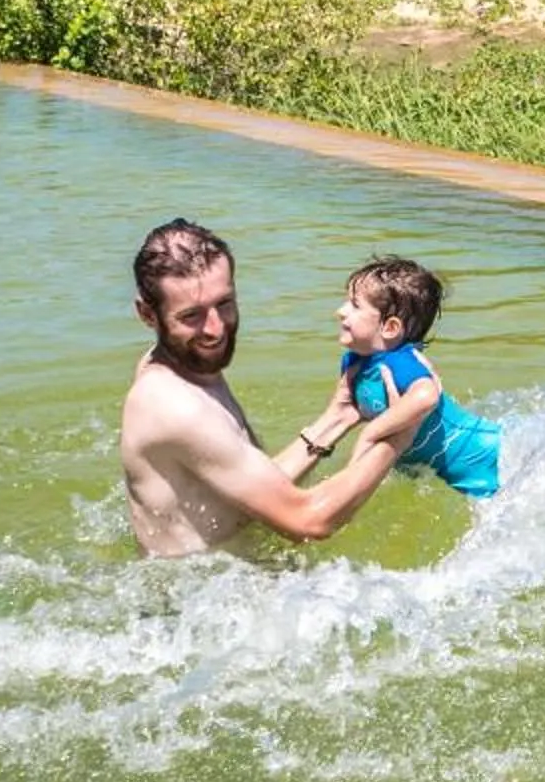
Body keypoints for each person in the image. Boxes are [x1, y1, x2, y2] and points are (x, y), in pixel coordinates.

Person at [119, 218, 413, 557]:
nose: (216, 329)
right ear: (147, 315)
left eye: (224, 304)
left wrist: (339, 416)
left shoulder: (188, 365)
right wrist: (397, 436)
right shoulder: (172, 404)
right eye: (191, 316)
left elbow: (248, 485)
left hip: (223, 583)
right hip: (197, 602)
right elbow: (307, 521)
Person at [336, 255, 506, 498]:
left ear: (390, 327)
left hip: (488, 456)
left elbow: (426, 396)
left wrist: (370, 434)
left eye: (355, 305)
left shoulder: (398, 361)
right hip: (450, 470)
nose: (340, 311)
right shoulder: (354, 362)